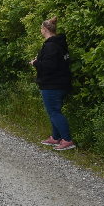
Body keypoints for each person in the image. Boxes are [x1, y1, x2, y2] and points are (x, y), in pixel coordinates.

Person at [30, 17, 75, 151]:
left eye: (41, 28)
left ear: (45, 29)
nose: (40, 31)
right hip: (61, 82)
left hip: (52, 84)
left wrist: (36, 63)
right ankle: (56, 138)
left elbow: (50, 66)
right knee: (55, 111)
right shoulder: (59, 43)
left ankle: (67, 140)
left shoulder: (50, 46)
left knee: (54, 112)